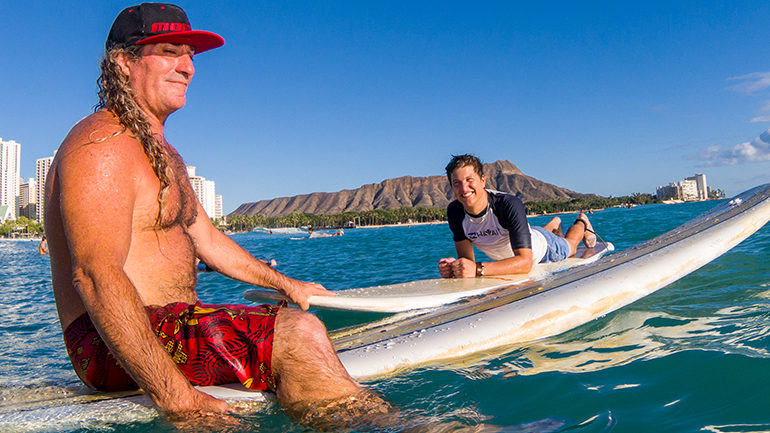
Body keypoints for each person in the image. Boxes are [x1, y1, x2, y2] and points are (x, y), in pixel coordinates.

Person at [45, 3, 384, 421]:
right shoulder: (102, 141)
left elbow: (208, 240)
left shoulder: (165, 153)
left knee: (293, 317)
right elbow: (95, 275)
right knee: (298, 335)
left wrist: (289, 284)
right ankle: (399, 429)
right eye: (169, 51)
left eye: (189, 54)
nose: (187, 67)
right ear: (122, 62)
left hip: (165, 327)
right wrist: (178, 399)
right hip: (105, 341)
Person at [438, 154, 597, 279]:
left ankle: (582, 221)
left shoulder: (507, 205)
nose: (464, 188)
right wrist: (456, 267)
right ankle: (554, 224)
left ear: (482, 180)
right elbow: (468, 263)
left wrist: (478, 269)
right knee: (535, 233)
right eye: (457, 182)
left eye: (469, 180)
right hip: (525, 235)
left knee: (570, 245)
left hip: (543, 249)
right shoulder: (455, 211)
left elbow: (526, 263)